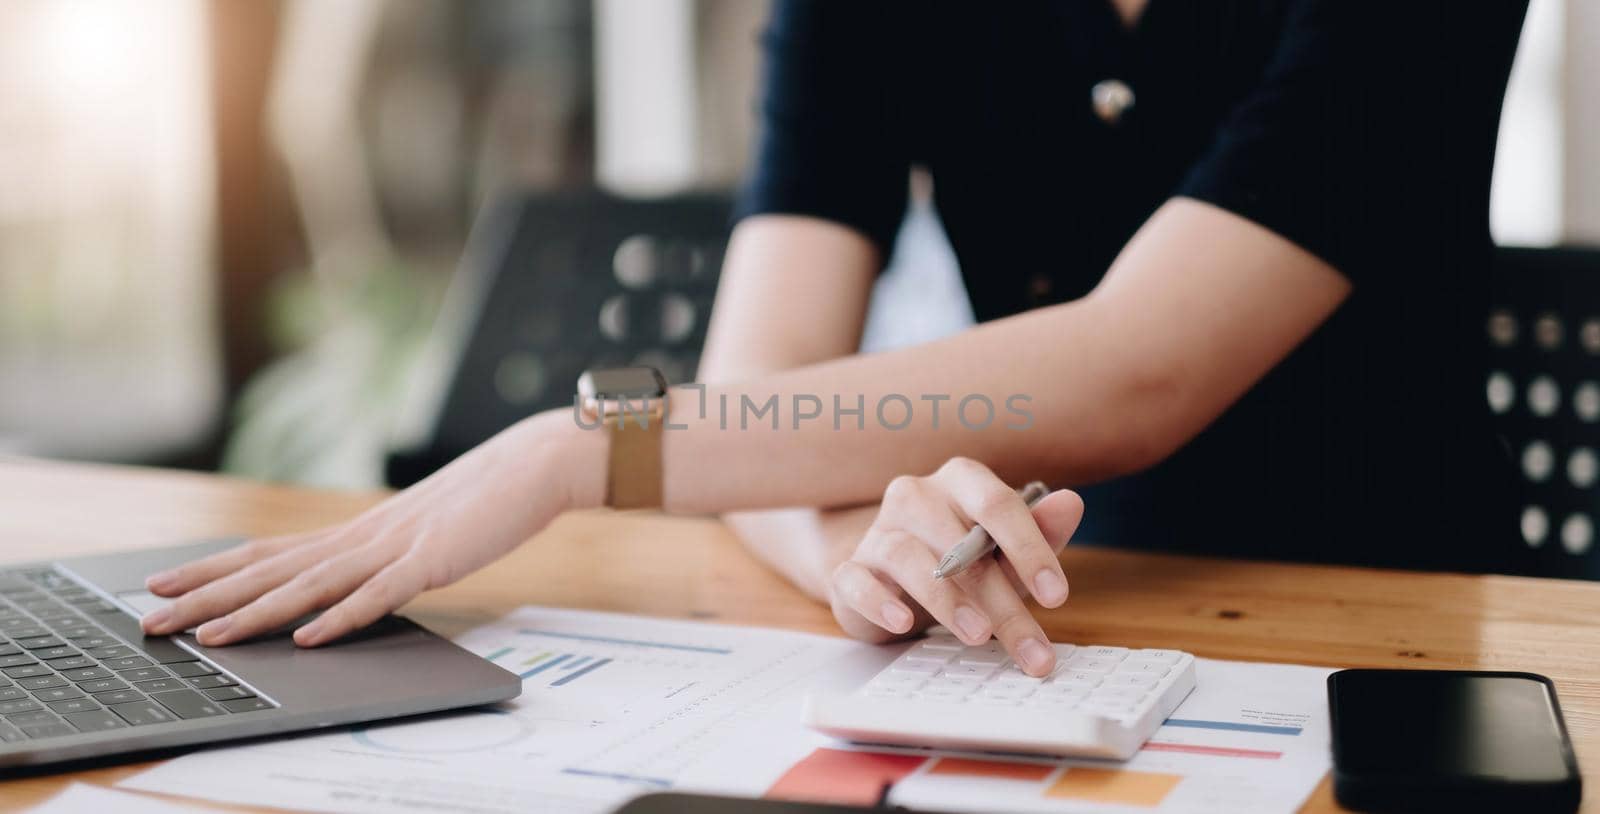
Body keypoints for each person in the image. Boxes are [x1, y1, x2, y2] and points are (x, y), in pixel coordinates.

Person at [141, 0, 1529, 677]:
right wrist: (863, 552)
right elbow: (763, 390)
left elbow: (1137, 365)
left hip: (1385, 645)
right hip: (1055, 621)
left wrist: (586, 443)